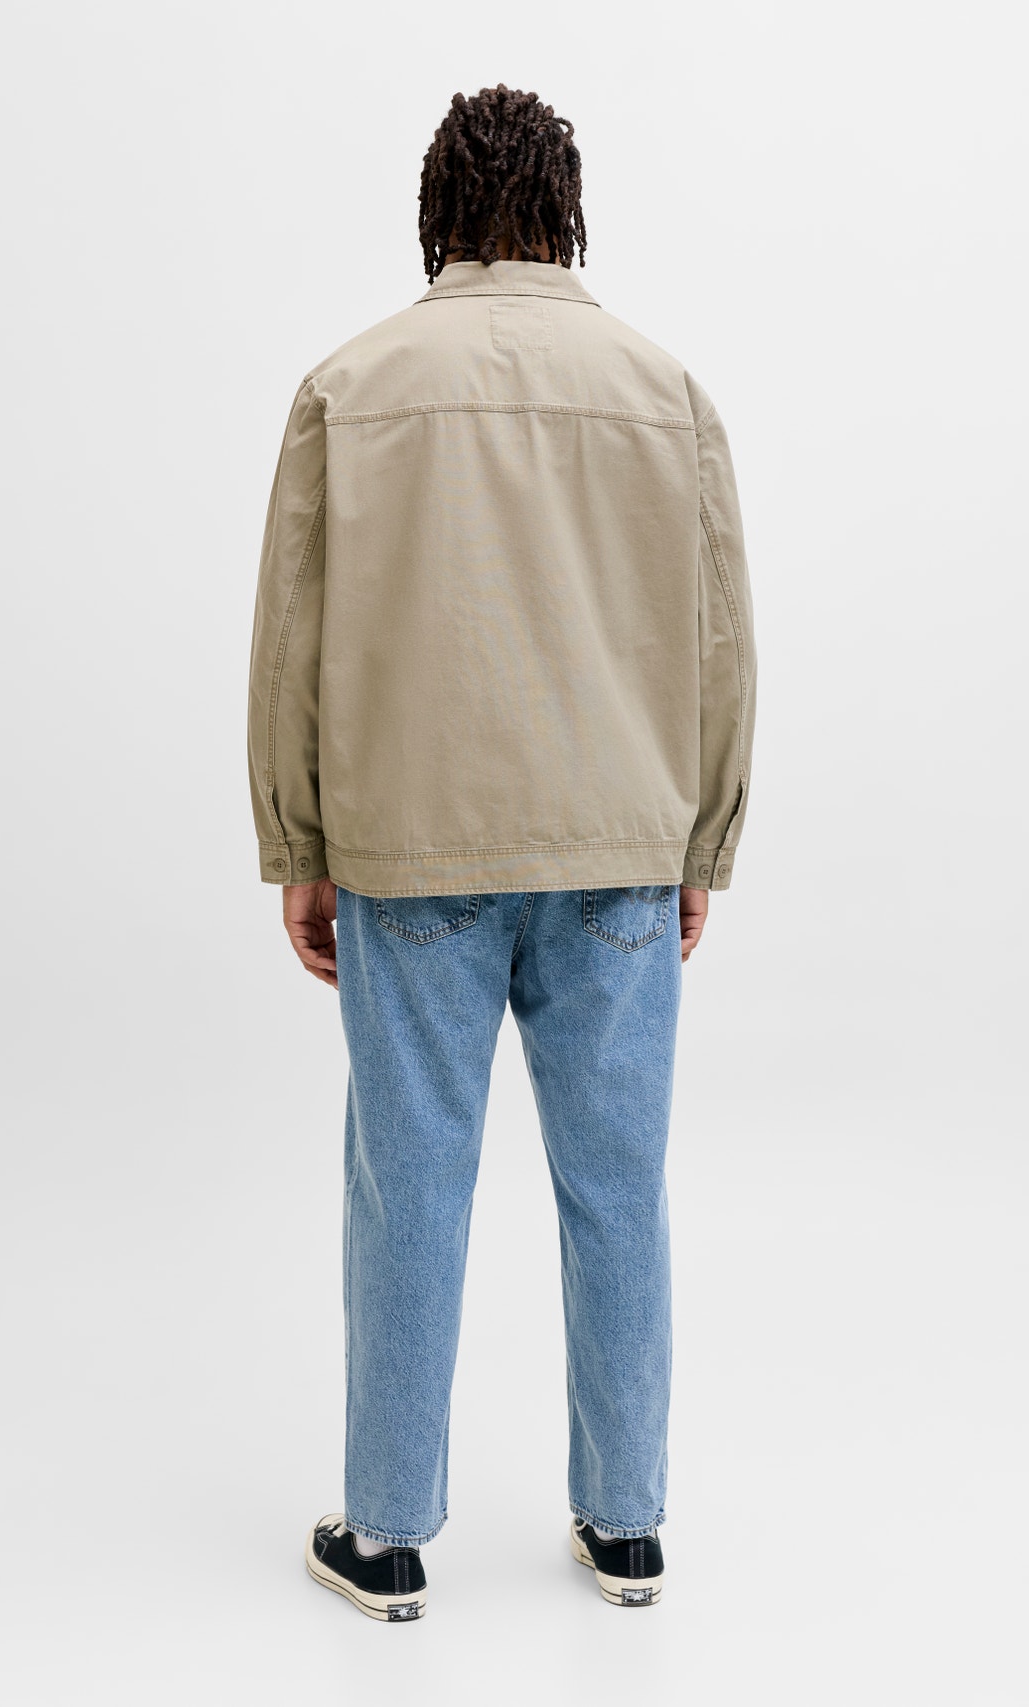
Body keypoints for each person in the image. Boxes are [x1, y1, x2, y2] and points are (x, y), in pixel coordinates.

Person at [246, 83, 757, 1623]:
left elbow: (292, 642)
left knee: (411, 1189)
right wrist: (703, 841)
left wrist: (298, 840)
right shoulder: (665, 392)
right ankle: (628, 1525)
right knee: (619, 1188)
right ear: (567, 209)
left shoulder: (351, 387)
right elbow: (719, 641)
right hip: (616, 846)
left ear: (438, 214)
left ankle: (390, 1533)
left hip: (411, 850)